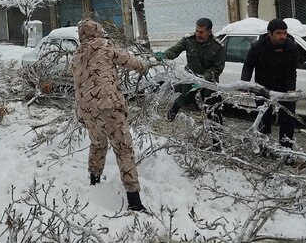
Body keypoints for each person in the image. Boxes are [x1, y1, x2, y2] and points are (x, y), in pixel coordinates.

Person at [71, 19, 149, 212]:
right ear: (97, 31)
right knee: (123, 149)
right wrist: (144, 66)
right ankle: (134, 201)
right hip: (109, 108)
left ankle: (94, 182)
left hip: (86, 110)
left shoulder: (76, 55)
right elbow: (130, 62)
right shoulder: (106, 45)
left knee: (98, 144)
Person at [156, 18, 225, 143]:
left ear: (209, 32)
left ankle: (217, 141)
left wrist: (204, 78)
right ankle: (174, 108)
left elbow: (218, 68)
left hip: (208, 80)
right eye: (197, 31)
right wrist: (164, 55)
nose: (198, 34)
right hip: (190, 76)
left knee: (213, 110)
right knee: (187, 97)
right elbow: (175, 50)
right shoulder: (189, 40)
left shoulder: (218, 46)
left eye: (202, 32)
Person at [240, 19, 299, 155]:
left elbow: (292, 71)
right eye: (278, 33)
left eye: (285, 33)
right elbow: (248, 65)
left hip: (284, 86)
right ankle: (264, 148)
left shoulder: (291, 47)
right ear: (269, 33)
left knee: (288, 120)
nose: (282, 36)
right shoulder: (257, 46)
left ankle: (286, 151)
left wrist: (290, 91)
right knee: (263, 119)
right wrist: (245, 82)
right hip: (263, 86)